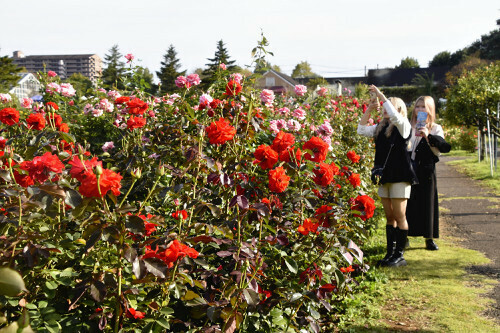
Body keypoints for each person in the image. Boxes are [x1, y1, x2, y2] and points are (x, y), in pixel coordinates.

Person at [357, 85, 417, 267]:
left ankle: (399, 255)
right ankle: (390, 253)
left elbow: (395, 117)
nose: (384, 109)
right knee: (389, 216)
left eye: (388, 106)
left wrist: (381, 95)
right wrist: (369, 109)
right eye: (383, 106)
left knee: (400, 216)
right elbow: (360, 130)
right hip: (385, 176)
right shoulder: (380, 127)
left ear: (398, 110)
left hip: (400, 175)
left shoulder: (403, 126)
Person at [406, 96, 451, 250]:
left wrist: (427, 136)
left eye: (423, 107)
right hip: (409, 167)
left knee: (428, 202)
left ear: (430, 109)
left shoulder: (436, 128)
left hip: (426, 169)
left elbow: (438, 152)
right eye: (417, 106)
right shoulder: (407, 125)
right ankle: (405, 236)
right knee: (408, 202)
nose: (419, 110)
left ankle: (429, 237)